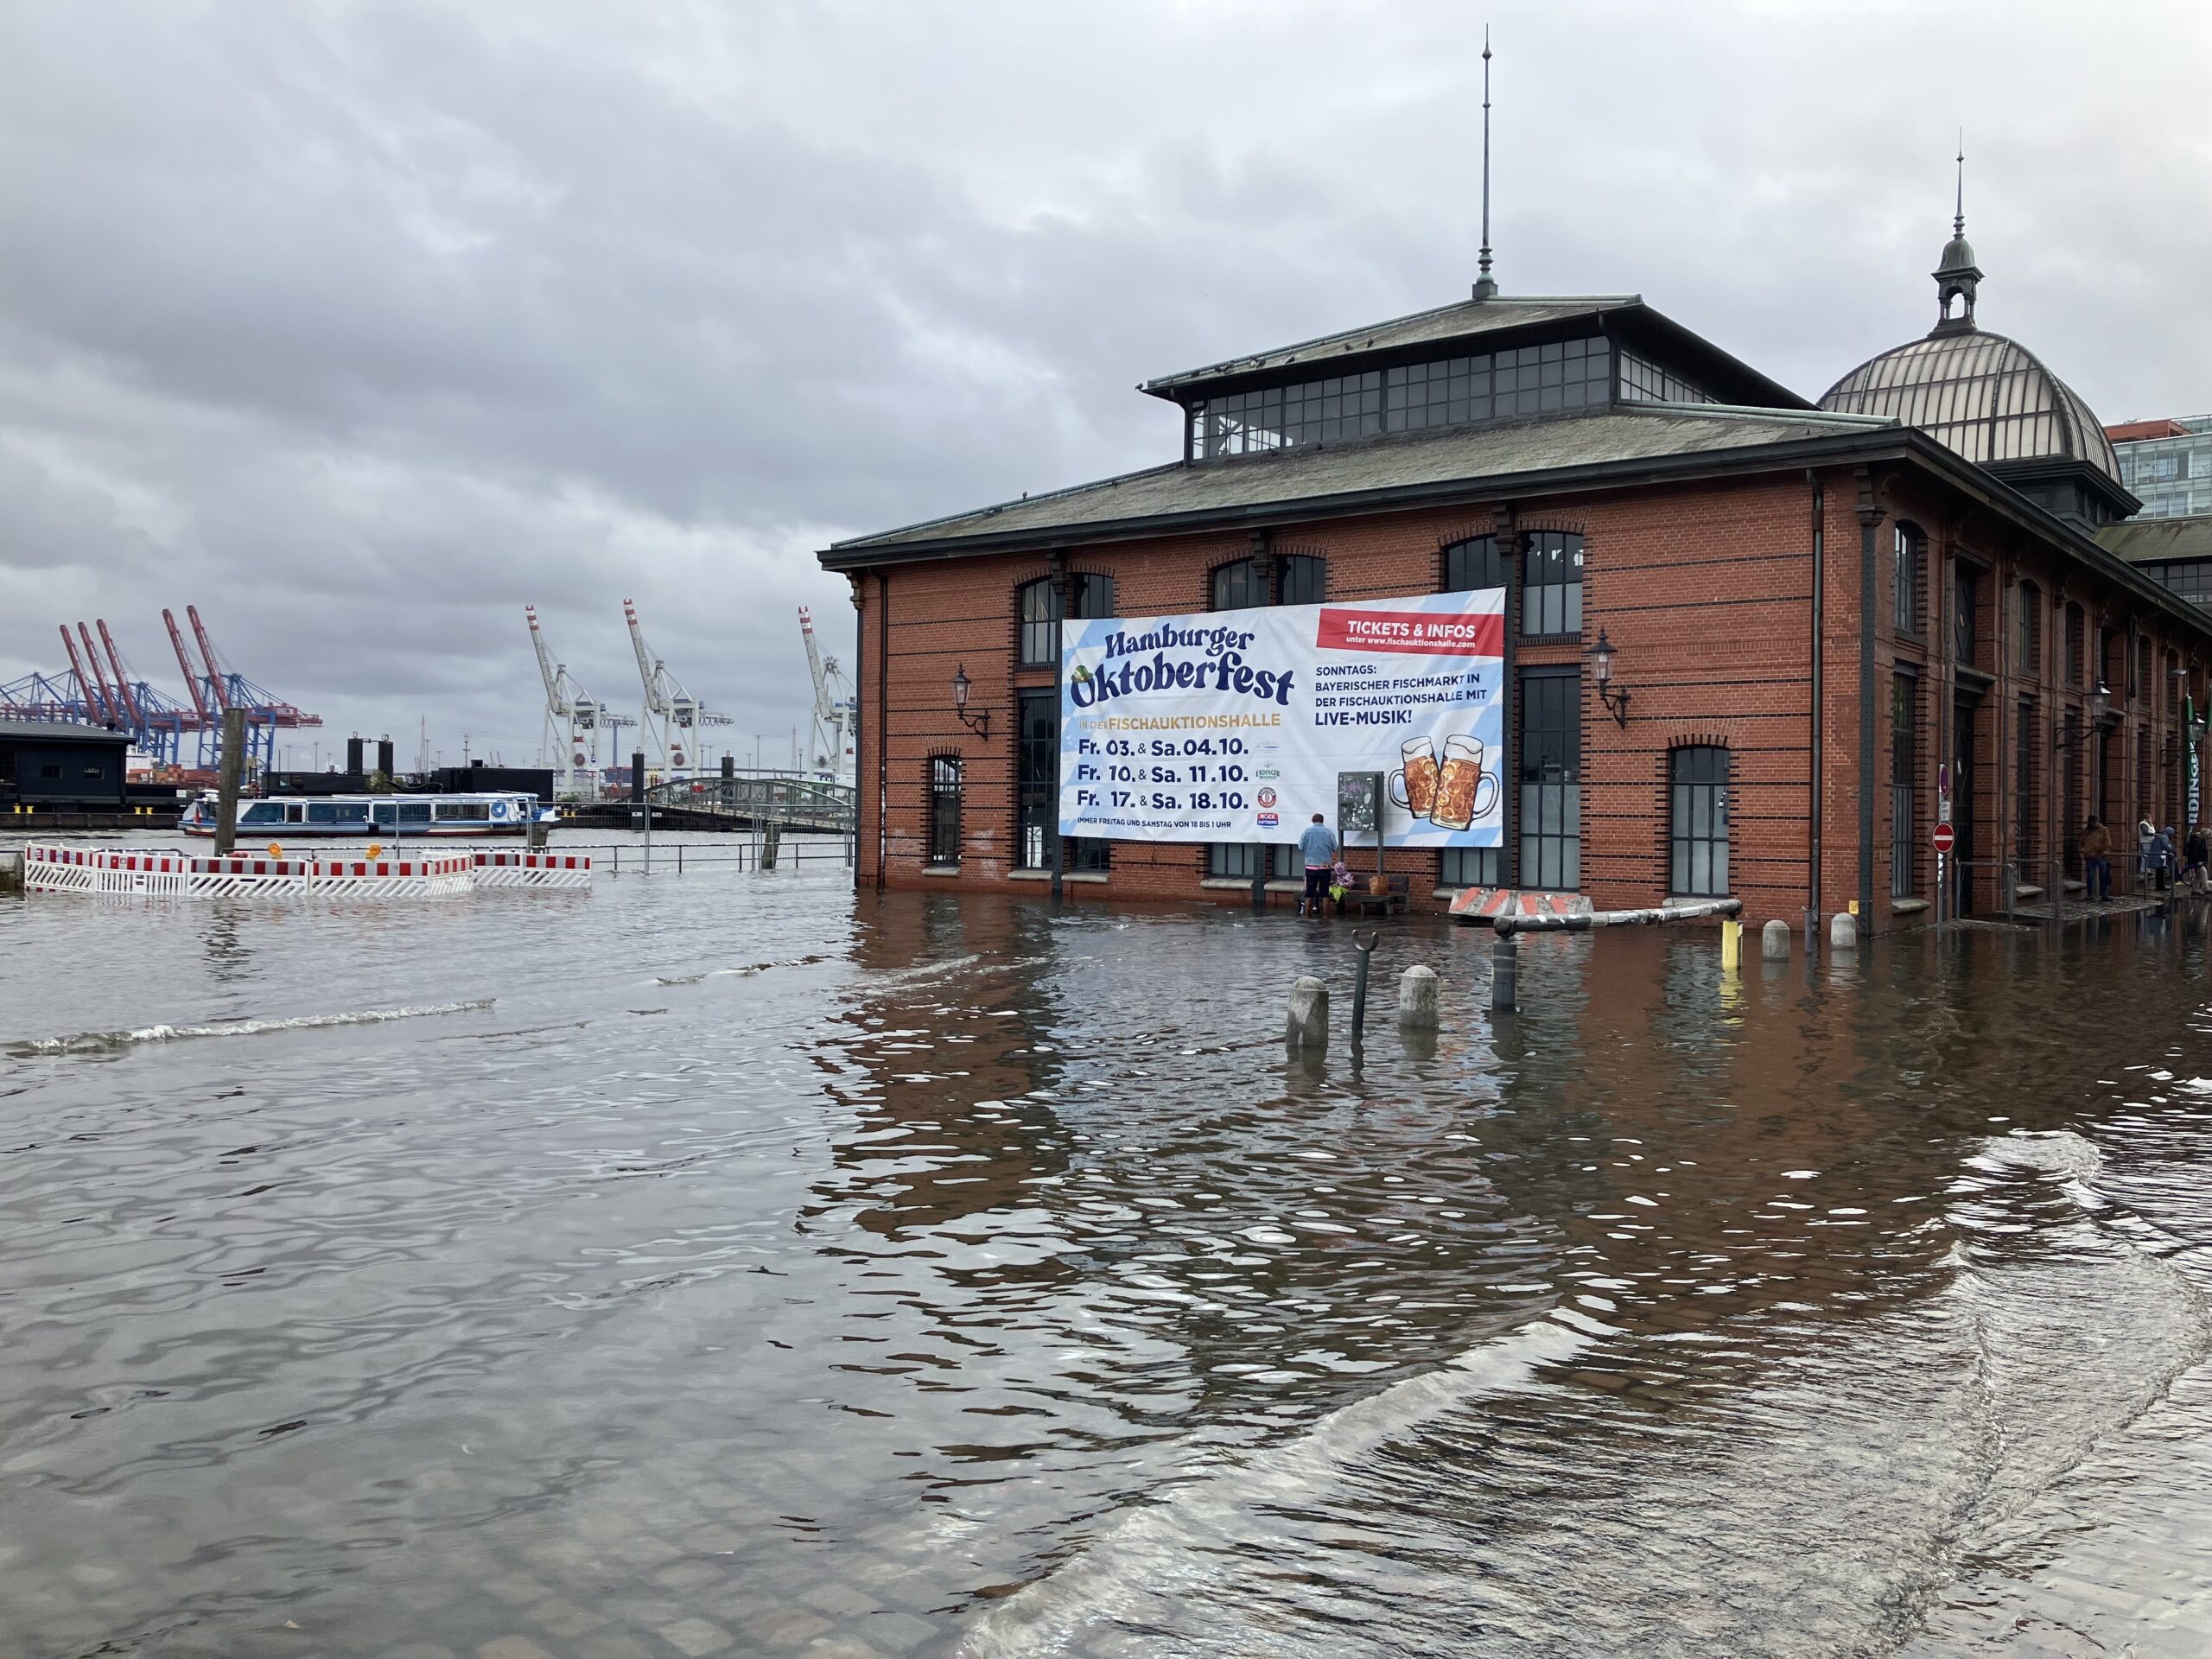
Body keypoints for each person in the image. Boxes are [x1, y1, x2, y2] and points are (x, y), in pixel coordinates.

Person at [1298, 812, 1338, 918]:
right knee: (1325, 892)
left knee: (1309, 893)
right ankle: (1325, 917)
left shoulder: (1306, 832)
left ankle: (1307, 916)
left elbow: (1300, 847)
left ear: (1313, 821)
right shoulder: (1329, 832)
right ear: (1322, 821)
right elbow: (1335, 847)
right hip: (1325, 867)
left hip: (1310, 866)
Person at [2080, 815, 2112, 902]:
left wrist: (2104, 852)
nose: (2094, 824)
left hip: (2101, 856)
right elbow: (2081, 843)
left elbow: (2107, 842)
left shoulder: (2104, 830)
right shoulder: (2086, 831)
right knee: (2090, 876)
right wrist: (2084, 852)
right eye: (2092, 822)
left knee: (2104, 876)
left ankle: (2104, 894)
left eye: (2095, 822)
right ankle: (2090, 894)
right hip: (2090, 856)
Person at [2187, 825, 2209, 894]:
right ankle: (2206, 887)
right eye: (2209, 835)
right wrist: (2198, 861)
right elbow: (2195, 852)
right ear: (2205, 835)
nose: (2209, 837)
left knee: (2198, 876)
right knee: (2203, 871)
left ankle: (2195, 889)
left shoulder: (2200, 840)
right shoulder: (2197, 840)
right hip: (2196, 861)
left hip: (2198, 861)